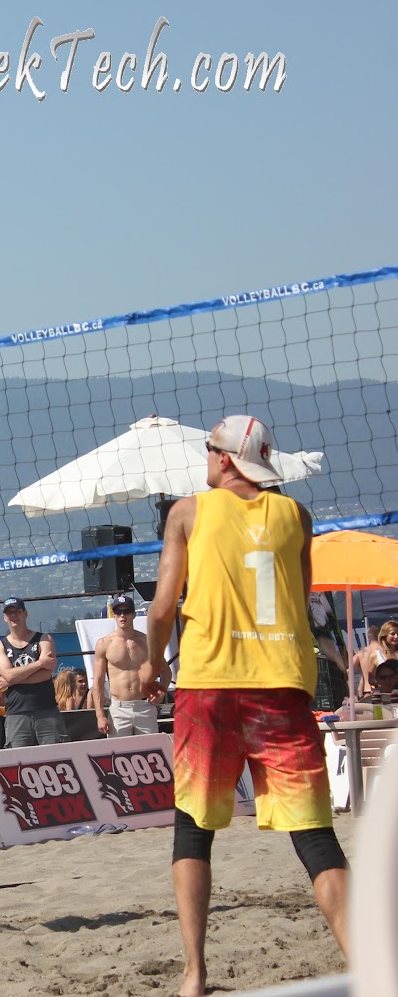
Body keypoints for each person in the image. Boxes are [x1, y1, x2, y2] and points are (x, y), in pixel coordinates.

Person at [146, 415, 350, 997]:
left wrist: (155, 664)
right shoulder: (297, 517)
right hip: (282, 686)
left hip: (209, 687)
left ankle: (194, 974)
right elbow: (299, 595)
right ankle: (375, 966)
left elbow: (162, 608)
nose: (205, 458)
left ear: (228, 459)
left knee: (192, 830)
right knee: (315, 838)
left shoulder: (188, 512)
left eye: (209, 449)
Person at [0, 598, 66, 746]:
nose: (14, 616)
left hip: (46, 709)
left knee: (55, 756)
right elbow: (8, 674)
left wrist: (12, 679)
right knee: (18, 760)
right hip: (16, 712)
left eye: (17, 611)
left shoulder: (44, 639)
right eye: (10, 612)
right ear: (5, 617)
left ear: (25, 613)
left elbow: (46, 674)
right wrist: (39, 663)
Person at [93, 594, 166, 736]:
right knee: (118, 754)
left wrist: (161, 692)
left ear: (133, 614)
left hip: (144, 705)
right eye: (118, 612)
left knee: (150, 752)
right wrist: (100, 715)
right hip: (119, 708)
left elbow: (166, 671)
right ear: (113, 616)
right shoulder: (104, 644)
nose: (122, 616)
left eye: (126, 612)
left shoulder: (146, 641)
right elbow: (98, 681)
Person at [354, 619, 398, 700]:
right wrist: (384, 681)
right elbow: (370, 678)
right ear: (385, 635)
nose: (396, 637)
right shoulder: (376, 655)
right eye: (392, 634)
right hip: (384, 696)